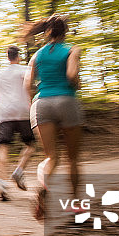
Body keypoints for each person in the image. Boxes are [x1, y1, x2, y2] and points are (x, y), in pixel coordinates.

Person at [23, 15, 83, 221]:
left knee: (51, 157)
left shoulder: (37, 55)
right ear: (65, 32)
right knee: (72, 158)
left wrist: (33, 103)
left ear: (46, 32)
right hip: (66, 100)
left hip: (42, 103)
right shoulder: (72, 50)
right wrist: (78, 84)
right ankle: (76, 204)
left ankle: (43, 186)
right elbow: (71, 75)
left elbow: (27, 85)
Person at [0, 45, 35, 200]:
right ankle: (19, 171)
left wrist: (3, 98)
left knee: (3, 147)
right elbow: (31, 87)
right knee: (31, 145)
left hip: (5, 113)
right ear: (18, 56)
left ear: (7, 57)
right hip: (23, 111)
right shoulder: (25, 70)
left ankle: (2, 183)